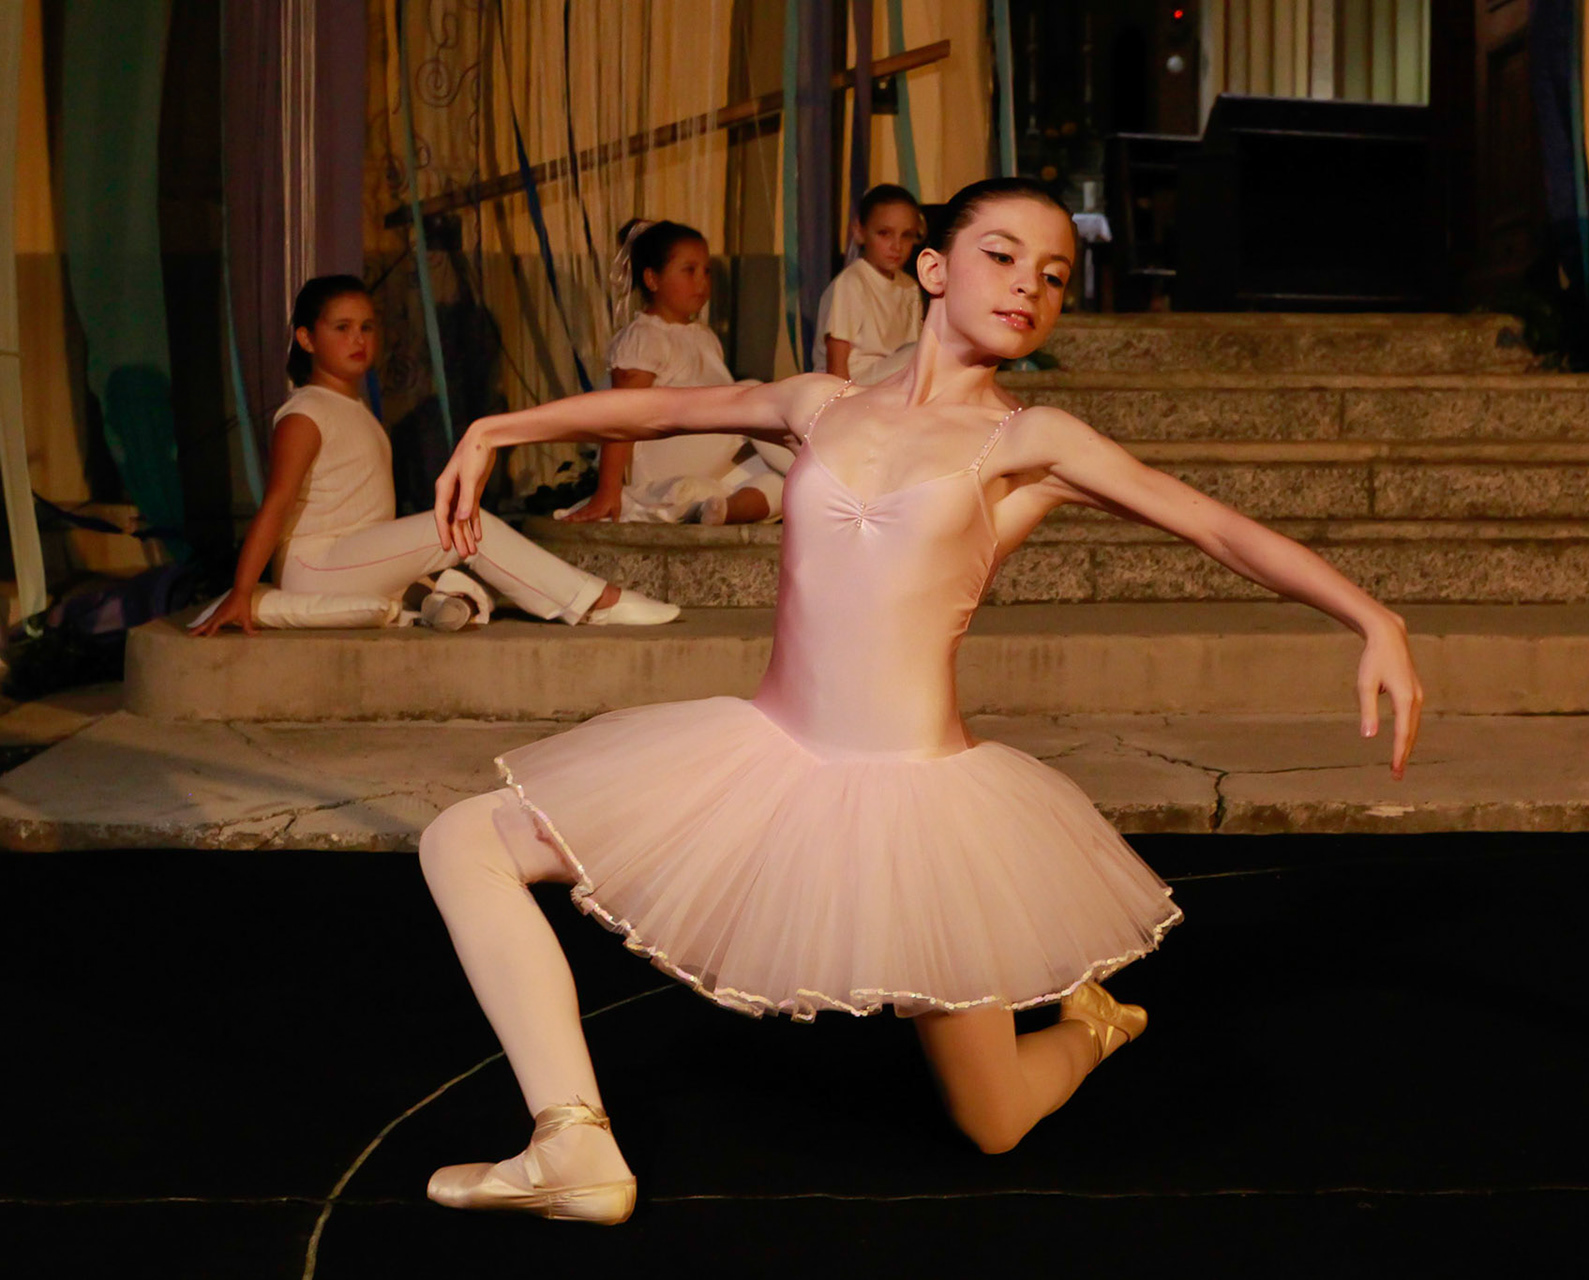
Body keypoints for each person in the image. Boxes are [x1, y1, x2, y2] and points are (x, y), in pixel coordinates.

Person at [416, 178, 1423, 1225]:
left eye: (1053, 274)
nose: (1029, 285)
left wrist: (1371, 616)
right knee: (464, 839)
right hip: (767, 752)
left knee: (992, 1121)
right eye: (1001, 255)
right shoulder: (822, 403)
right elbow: (663, 406)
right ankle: (570, 1138)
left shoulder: (1033, 438)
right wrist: (498, 425)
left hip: (919, 807)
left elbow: (1215, 526)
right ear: (934, 271)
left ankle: (1093, 1025)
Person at [189, 275, 678, 637]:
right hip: (319, 564)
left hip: (352, 555)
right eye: (341, 328)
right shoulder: (305, 412)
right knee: (460, 525)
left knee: (446, 567)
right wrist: (242, 591)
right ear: (306, 338)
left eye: (366, 327)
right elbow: (276, 502)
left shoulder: (351, 407)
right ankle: (593, 601)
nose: (358, 339)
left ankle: (440, 600)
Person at [561, 220, 790, 527]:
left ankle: (724, 510)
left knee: (786, 481)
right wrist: (608, 489)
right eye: (689, 270)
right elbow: (619, 416)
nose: (702, 282)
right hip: (661, 456)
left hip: (703, 456)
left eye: (706, 271)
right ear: (652, 279)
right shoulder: (644, 337)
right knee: (753, 393)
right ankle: (834, 478)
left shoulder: (703, 337)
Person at [813, 184, 925, 384]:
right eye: (884, 233)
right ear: (859, 232)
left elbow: (910, 349)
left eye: (906, 235)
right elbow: (836, 361)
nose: (896, 246)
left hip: (891, 381)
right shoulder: (852, 283)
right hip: (853, 382)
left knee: (929, 351)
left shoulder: (910, 287)